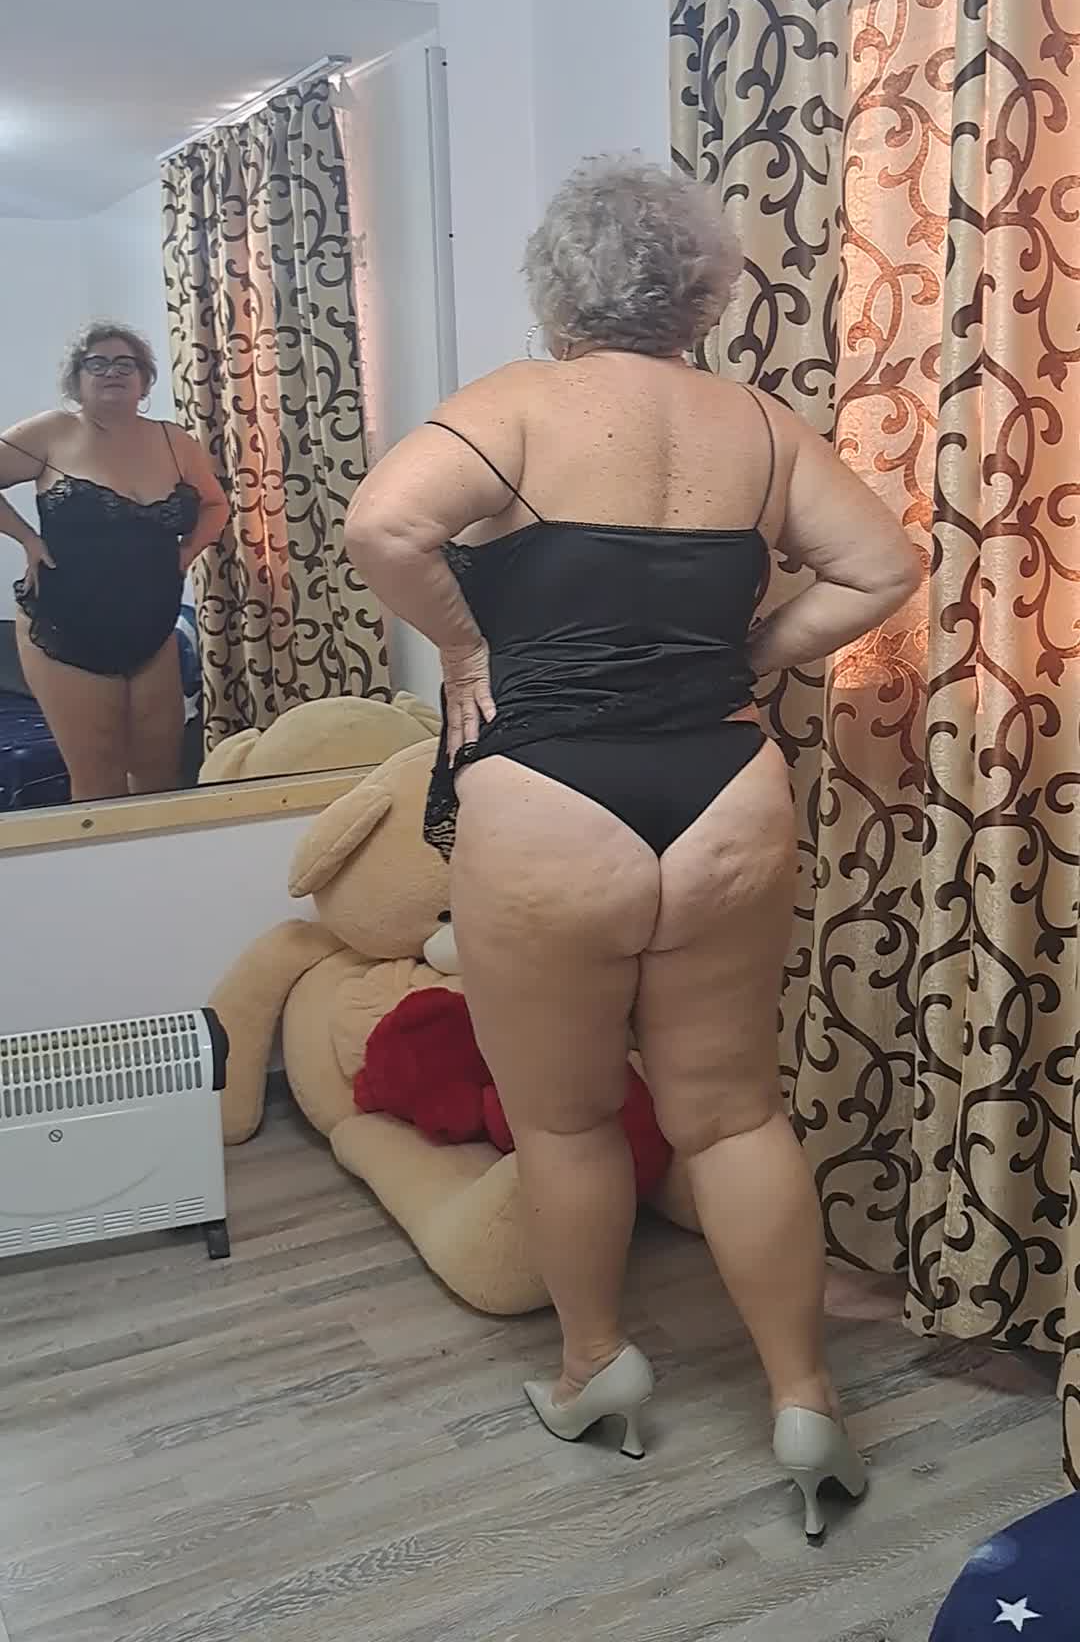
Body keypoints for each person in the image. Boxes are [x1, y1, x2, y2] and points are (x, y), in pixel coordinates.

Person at [345, 158, 920, 1539]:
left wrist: (468, 648)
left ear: (558, 288)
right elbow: (885, 567)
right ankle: (805, 1401)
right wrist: (753, 655)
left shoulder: (516, 405)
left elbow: (382, 523)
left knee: (567, 1116)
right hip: (726, 784)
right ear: (703, 295)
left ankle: (595, 1367)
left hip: (548, 790)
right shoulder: (760, 427)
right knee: (733, 1113)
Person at [0, 322, 228, 801]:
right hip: (66, 627)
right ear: (77, 379)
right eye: (97, 363)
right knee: (98, 779)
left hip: (152, 629)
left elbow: (215, 505)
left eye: (126, 363)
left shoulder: (173, 441)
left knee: (160, 773)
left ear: (144, 380)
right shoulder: (52, 432)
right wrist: (27, 538)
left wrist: (187, 553)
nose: (112, 372)